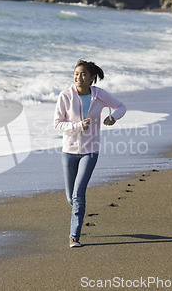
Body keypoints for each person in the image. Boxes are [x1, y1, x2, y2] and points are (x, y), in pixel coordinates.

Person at [54, 59, 126, 248]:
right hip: (69, 151)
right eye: (76, 74)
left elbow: (121, 107)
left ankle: (74, 237)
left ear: (92, 78)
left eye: (83, 74)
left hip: (90, 150)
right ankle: (79, 210)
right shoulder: (65, 96)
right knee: (71, 197)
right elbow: (57, 124)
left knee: (78, 194)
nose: (79, 77)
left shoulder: (99, 95)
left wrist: (112, 117)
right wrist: (78, 126)